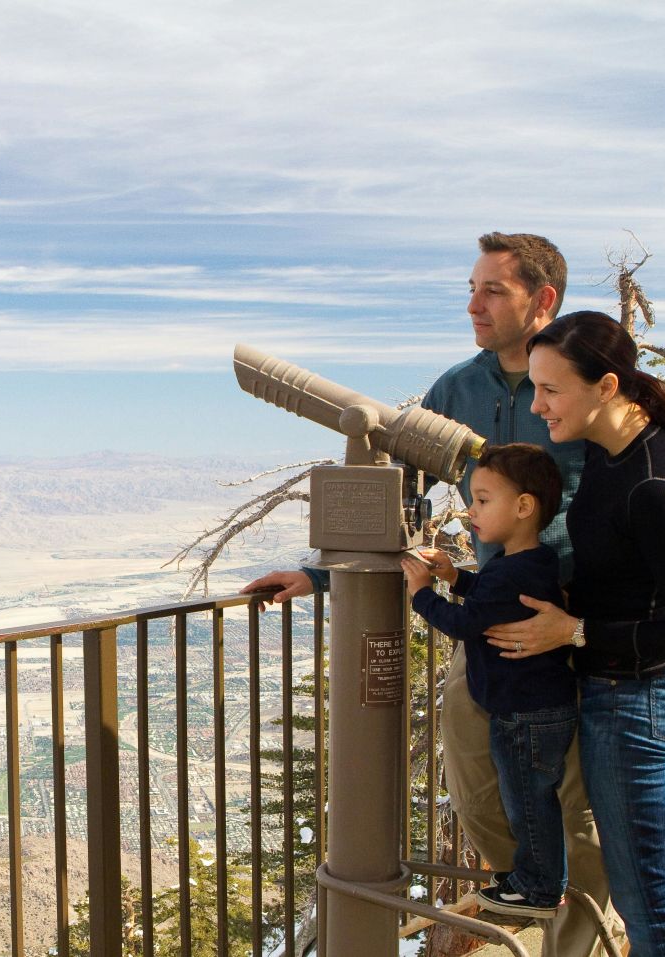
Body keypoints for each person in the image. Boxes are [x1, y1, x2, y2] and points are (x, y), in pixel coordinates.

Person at [243, 233, 623, 957]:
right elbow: (407, 506)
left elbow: (644, 498)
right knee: (472, 757)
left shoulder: (586, 383)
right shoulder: (459, 389)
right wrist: (319, 575)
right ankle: (530, 882)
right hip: (493, 619)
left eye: (493, 290)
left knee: (580, 807)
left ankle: (573, 945)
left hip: (581, 618)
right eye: (472, 287)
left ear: (542, 301)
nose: (473, 304)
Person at [486, 311, 665, 956]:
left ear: (608, 386)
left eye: (551, 390)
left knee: (647, 885)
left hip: (636, 699)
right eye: (533, 388)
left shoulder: (652, 483)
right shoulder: (614, 449)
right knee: (640, 876)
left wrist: (577, 631)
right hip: (620, 686)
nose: (536, 406)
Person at [402, 443, 576, 920]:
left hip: (524, 715)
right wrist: (456, 578)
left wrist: (421, 594)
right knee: (528, 797)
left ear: (523, 507)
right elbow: (492, 599)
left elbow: (465, 624)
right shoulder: (528, 561)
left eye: (482, 500)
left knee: (528, 802)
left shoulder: (509, 568)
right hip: (534, 707)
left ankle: (539, 887)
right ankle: (532, 877)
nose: (470, 511)